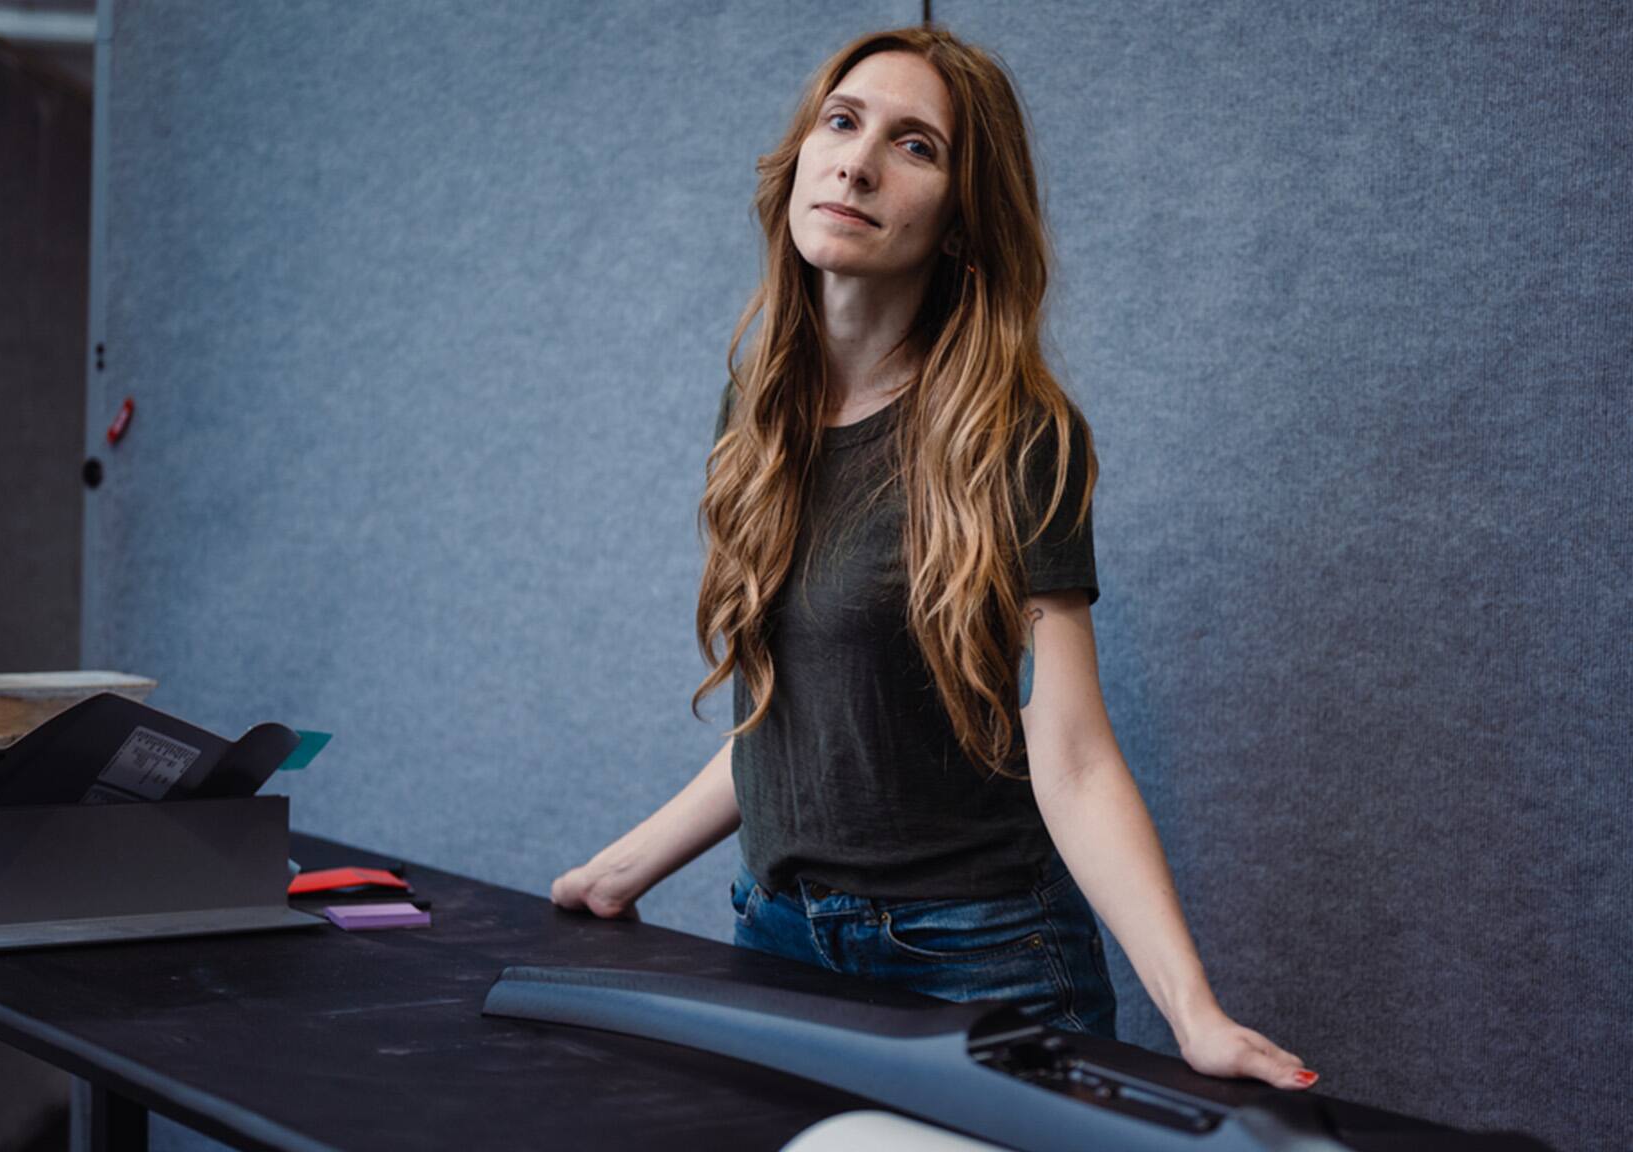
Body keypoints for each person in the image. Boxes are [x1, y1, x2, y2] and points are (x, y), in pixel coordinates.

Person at [551, 24, 1316, 1093]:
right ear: (802, 158)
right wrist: (621, 870)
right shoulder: (759, 410)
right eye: (843, 121)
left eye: (917, 146)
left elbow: (1076, 754)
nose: (859, 160)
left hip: (976, 954)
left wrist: (1194, 1012)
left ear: (962, 219)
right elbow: (796, 721)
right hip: (773, 933)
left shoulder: (1015, 434)